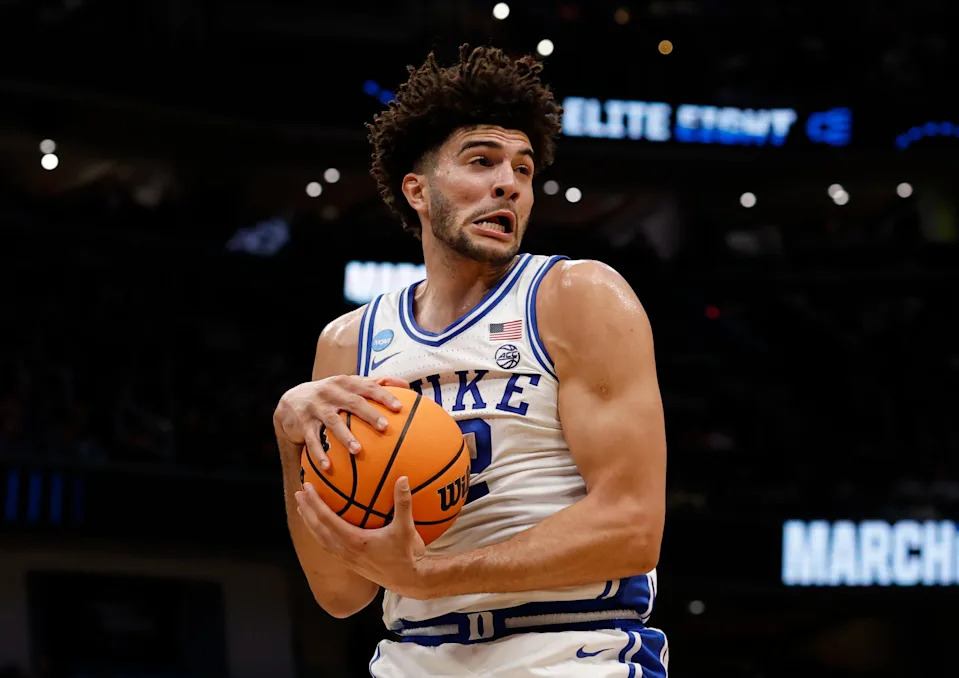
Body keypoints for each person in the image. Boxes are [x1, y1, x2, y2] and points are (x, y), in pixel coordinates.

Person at [273, 44, 668, 677]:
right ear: (418, 191)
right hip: (413, 656)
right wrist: (290, 436)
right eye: (481, 161)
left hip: (568, 649)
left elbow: (632, 526)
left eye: (522, 168)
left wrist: (430, 574)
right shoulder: (349, 343)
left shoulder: (577, 297)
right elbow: (340, 593)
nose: (508, 182)